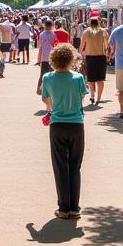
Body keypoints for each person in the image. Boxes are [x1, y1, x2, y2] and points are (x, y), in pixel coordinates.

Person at [41, 44, 89, 219]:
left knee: (60, 166)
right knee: (75, 166)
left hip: (57, 124)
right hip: (76, 124)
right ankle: (75, 207)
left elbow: (46, 99)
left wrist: (52, 107)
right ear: (71, 59)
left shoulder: (47, 77)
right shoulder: (78, 78)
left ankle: (63, 207)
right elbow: (82, 96)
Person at [79, 16, 109, 105]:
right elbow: (106, 45)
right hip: (101, 57)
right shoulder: (103, 31)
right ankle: (99, 98)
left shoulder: (86, 32)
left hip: (90, 57)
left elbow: (82, 45)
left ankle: (92, 96)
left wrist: (79, 54)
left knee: (91, 79)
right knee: (100, 79)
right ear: (99, 23)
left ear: (89, 23)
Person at [35, 19, 57, 94]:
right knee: (52, 74)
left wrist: (38, 60)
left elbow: (39, 47)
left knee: (43, 74)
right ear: (51, 26)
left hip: (44, 57)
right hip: (52, 57)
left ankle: (39, 89)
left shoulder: (41, 34)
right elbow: (56, 45)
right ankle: (51, 89)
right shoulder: (54, 34)